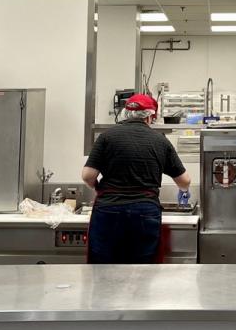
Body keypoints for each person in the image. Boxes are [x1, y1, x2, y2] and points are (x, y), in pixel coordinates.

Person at [81, 93, 193, 264]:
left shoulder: (107, 136)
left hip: (108, 209)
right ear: (150, 116)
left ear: (126, 113)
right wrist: (183, 192)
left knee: (102, 270)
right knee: (142, 271)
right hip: (144, 211)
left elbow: (88, 176)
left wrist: (97, 187)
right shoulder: (160, 141)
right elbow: (184, 181)